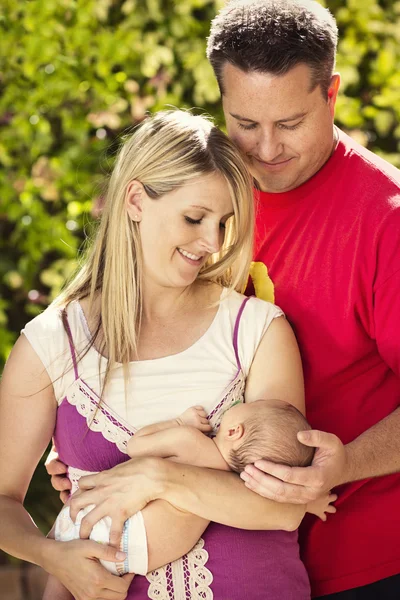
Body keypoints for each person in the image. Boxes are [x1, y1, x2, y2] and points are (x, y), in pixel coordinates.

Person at [48, 1, 400, 598]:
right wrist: (93, 453)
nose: (265, 150)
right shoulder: (205, 196)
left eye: (290, 123)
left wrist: (346, 464)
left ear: (332, 92)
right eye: (245, 123)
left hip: (364, 558)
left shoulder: (384, 221)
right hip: (202, 554)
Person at [0, 108, 319, 600]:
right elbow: (2, 500)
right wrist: (53, 556)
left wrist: (161, 476)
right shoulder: (52, 343)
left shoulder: (256, 329)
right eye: (194, 218)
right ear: (134, 201)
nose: (212, 243)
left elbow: (284, 506)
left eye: (224, 222)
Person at [53, 399, 335, 587]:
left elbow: (136, 447)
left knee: (62, 565)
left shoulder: (190, 441)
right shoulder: (242, 484)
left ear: (235, 430)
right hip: (138, 555)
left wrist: (178, 423)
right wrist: (310, 503)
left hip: (112, 527)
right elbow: (280, 498)